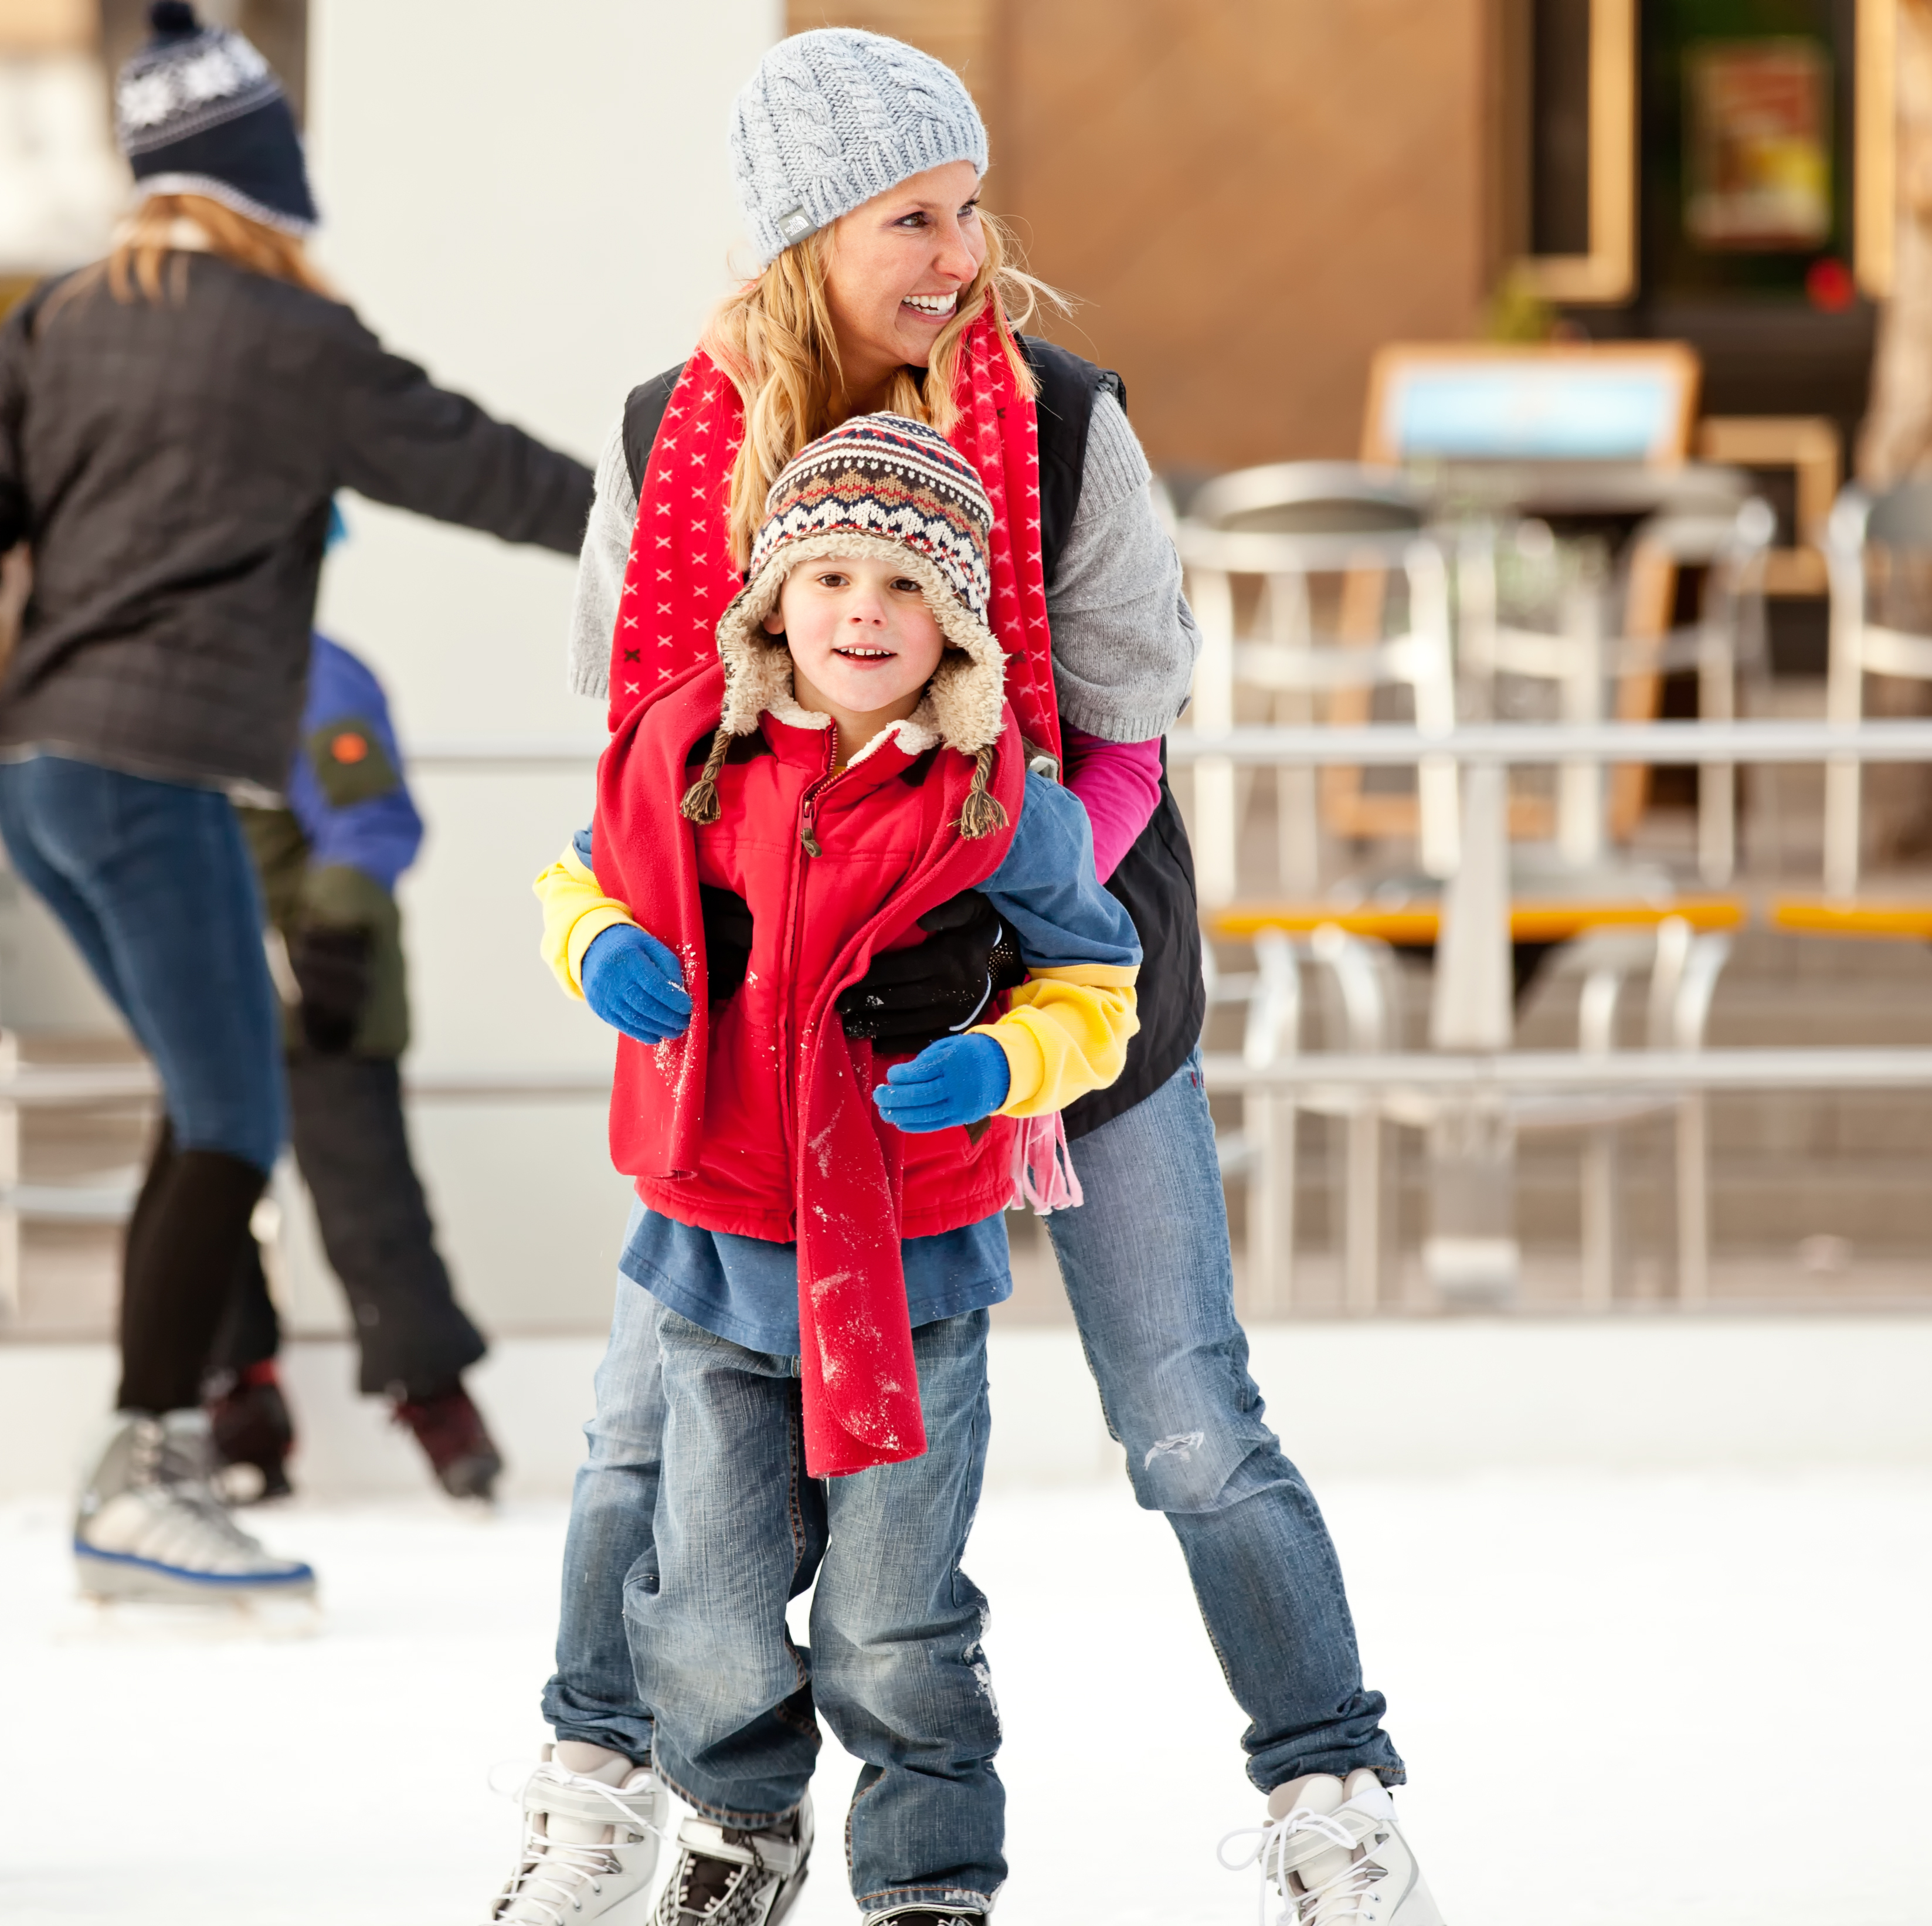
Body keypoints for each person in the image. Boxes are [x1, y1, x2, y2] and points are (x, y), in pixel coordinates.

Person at [496, 30, 1441, 1926]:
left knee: (1185, 1418)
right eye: (908, 216)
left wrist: (992, 930)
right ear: (800, 239)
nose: (958, 248)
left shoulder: (1063, 422)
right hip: (776, 1019)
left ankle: (1331, 1789)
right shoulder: (658, 434)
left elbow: (1134, 718)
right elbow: (627, 733)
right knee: (640, 1422)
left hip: (1064, 971)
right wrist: (672, 937)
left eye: (963, 204)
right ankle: (601, 1779)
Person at [0, 2, 592, 1602]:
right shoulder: (289, 339)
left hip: (40, 774)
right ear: (271, 174)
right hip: (159, 773)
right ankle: (140, 1466)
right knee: (238, 1114)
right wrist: (660, 526)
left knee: (208, 1106)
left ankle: (157, 1449)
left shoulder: (59, 319)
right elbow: (481, 468)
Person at [517, 411, 1141, 1925]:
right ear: (771, 600)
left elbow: (1100, 985)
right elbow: (576, 872)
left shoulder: (998, 801)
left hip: (912, 1261)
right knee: (712, 1599)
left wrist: (1007, 1056)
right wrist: (598, 945)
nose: (865, 609)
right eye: (832, 574)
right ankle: (737, 1818)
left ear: (958, 624)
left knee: (890, 1617)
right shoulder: (690, 756)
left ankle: (929, 1873)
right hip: (718, 1245)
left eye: (907, 585)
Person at [203, 628, 505, 1504]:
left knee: (369, 1206)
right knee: (205, 1206)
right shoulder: (170, 664)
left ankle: (438, 1402)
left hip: (325, 991)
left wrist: (331, 936)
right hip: (210, 988)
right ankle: (240, 1403)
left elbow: (372, 817)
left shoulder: (308, 669)